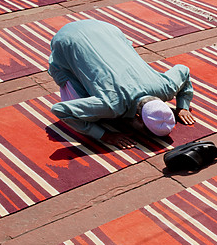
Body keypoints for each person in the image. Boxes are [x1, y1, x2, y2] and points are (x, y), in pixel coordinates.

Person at [47, 19, 196, 149]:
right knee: (88, 112)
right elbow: (61, 110)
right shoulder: (112, 104)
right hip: (67, 40)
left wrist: (182, 106)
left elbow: (183, 70)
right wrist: (104, 135)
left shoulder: (166, 89)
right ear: (138, 117)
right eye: (144, 131)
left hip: (106, 29)